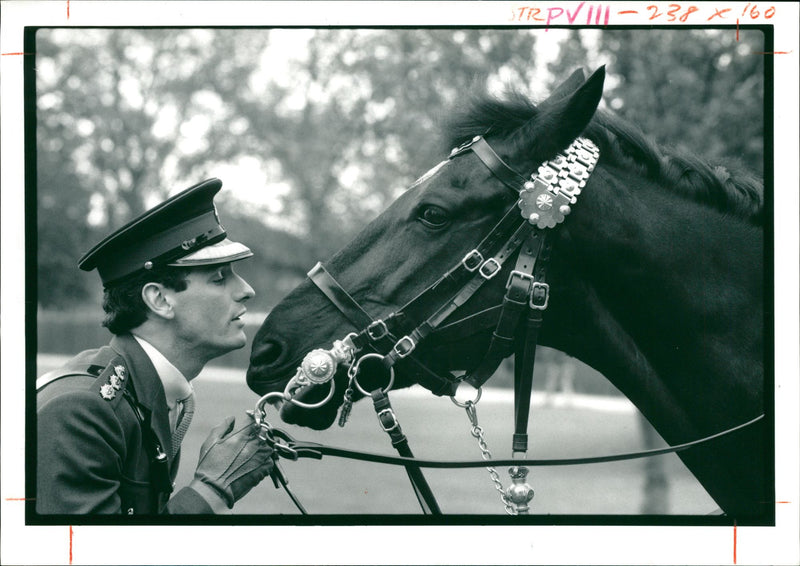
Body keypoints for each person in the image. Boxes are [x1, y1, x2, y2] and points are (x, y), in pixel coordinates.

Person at [36, 178, 274, 515]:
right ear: (159, 299)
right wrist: (212, 489)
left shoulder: (144, 394)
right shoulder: (80, 412)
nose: (246, 289)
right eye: (219, 277)